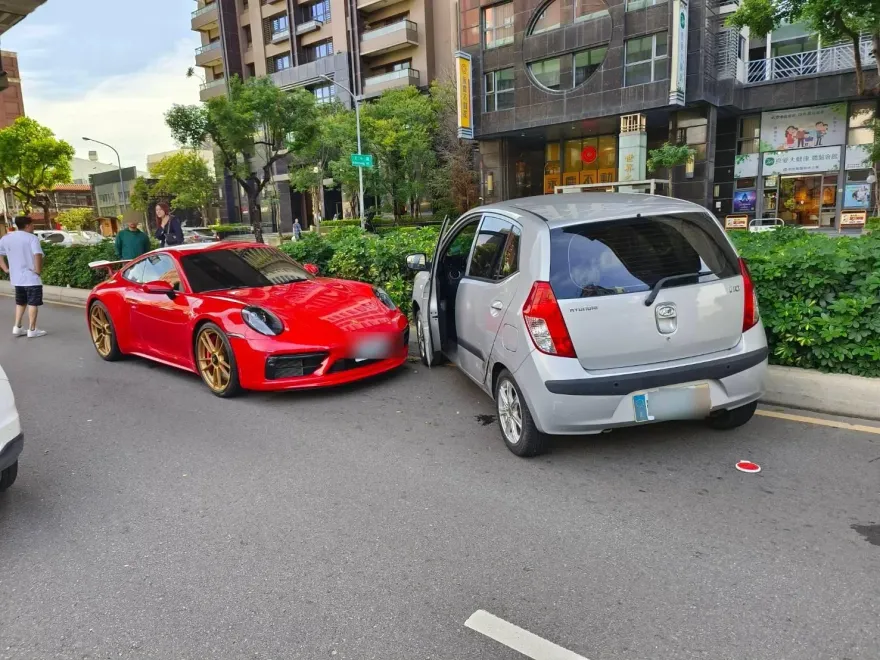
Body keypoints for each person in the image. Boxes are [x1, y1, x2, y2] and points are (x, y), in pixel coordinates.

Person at [0, 216, 46, 338]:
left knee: (21, 302)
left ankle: (17, 327)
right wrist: (38, 271)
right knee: (33, 303)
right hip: (31, 277)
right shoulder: (32, 238)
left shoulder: (6, 238)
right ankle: (32, 329)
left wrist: (5, 269)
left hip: (16, 278)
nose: (33, 227)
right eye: (32, 225)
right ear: (27, 225)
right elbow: (37, 254)